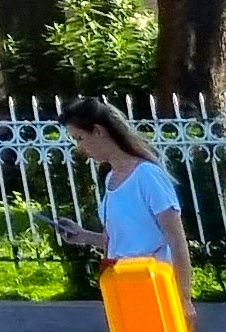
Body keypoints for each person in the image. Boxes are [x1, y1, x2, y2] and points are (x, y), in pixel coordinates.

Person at [51, 98, 188, 294]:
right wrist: (82, 235)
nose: (78, 147)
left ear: (98, 131)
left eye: (79, 138)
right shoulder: (111, 179)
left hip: (153, 284)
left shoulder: (147, 175)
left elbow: (177, 240)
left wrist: (184, 299)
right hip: (122, 284)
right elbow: (124, 241)